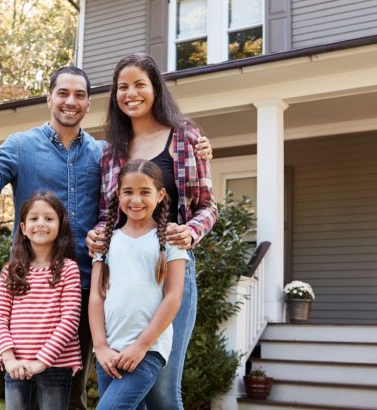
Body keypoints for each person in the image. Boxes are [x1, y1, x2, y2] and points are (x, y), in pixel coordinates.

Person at [0, 65, 212, 410]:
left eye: (80, 95)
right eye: (62, 93)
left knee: (74, 394)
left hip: (93, 286)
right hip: (37, 288)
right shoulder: (22, 145)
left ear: (89, 104)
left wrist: (199, 151)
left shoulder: (104, 153)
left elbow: (139, 190)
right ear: (49, 97)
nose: (70, 101)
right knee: (27, 389)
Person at [87, 53, 217, 409]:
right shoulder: (112, 151)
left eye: (139, 84)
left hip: (169, 264)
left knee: (161, 389)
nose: (131, 93)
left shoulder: (186, 137)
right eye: (122, 87)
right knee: (126, 382)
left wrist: (190, 232)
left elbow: (208, 206)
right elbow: (108, 213)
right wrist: (97, 235)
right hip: (123, 272)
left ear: (155, 88)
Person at [89, 159, 188, 410]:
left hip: (147, 350)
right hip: (109, 352)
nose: (136, 200)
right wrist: (100, 347)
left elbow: (173, 298)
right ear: (118, 194)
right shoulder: (106, 240)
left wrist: (141, 346)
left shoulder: (170, 240)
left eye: (145, 192)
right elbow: (96, 297)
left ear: (160, 195)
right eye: (128, 192)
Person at [0, 192, 82, 410]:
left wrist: (42, 361)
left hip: (54, 366)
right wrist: (10, 359)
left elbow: (69, 320)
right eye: (34, 218)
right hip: (17, 367)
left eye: (49, 219)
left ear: (60, 226)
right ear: (23, 228)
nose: (41, 224)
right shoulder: (11, 271)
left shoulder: (68, 269)